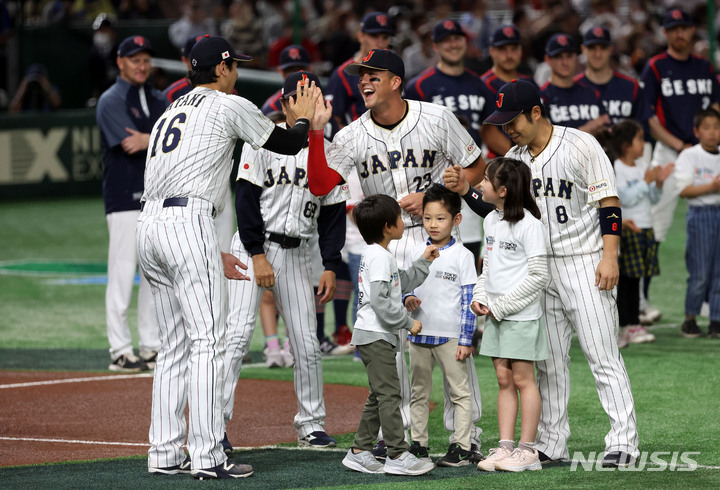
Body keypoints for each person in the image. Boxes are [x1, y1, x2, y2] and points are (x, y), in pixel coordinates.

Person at [137, 35, 321, 479]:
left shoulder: (169, 112)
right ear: (220, 69)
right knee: (208, 342)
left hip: (150, 225)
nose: (236, 71)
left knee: (174, 346)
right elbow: (287, 145)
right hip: (188, 221)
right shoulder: (228, 103)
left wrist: (201, 249)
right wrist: (302, 121)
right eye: (233, 65)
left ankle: (163, 453)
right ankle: (207, 456)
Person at [306, 49, 486, 460]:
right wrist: (317, 133)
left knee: (449, 336)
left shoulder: (437, 118)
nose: (364, 81)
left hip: (437, 237)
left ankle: (466, 436)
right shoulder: (351, 135)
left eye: (373, 74)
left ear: (395, 81)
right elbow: (320, 184)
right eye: (360, 75)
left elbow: (475, 166)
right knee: (395, 341)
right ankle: (401, 433)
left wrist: (444, 190)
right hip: (387, 246)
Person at [467, 79, 639, 468]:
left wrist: (609, 256)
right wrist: (464, 189)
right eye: (503, 122)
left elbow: (608, 203)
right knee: (549, 362)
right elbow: (497, 211)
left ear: (536, 112)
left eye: (513, 120)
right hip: (538, 269)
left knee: (602, 354)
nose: (507, 129)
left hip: (583, 261)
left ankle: (624, 440)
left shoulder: (581, 144)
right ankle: (551, 441)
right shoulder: (514, 158)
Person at [221, 70, 348, 452]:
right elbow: (245, 201)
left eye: (315, 95)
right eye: (301, 96)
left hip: (298, 254)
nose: (310, 102)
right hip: (251, 247)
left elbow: (333, 213)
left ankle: (310, 424)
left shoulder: (330, 150)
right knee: (237, 337)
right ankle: (214, 425)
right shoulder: (262, 139)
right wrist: (257, 254)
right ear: (285, 103)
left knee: (307, 344)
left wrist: (329, 263)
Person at [461, 157, 549, 473]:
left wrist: (500, 306)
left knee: (524, 379)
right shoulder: (491, 221)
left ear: (501, 190)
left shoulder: (530, 225)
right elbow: (488, 269)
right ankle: (506, 447)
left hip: (520, 316)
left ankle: (528, 451)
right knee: (503, 379)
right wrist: (480, 297)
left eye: (484, 180)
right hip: (496, 315)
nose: (479, 185)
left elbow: (539, 276)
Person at [341, 194, 437, 476]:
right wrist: (409, 323)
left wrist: (423, 261)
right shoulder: (380, 257)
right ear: (388, 226)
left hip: (372, 335)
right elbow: (382, 303)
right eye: (398, 217)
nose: (402, 221)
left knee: (379, 394)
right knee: (390, 395)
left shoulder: (378, 254)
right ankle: (397, 453)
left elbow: (400, 284)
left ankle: (359, 451)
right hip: (375, 335)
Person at [640, 8, 720, 321]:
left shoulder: (704, 66)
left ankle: (706, 299)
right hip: (670, 153)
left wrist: (704, 142)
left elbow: (715, 106)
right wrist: (679, 146)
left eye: (684, 28)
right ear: (666, 33)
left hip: (704, 151)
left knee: (712, 222)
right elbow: (648, 115)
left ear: (691, 31)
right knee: (655, 225)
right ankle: (642, 299)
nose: (679, 34)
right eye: (673, 29)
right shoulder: (656, 66)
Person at [96, 36, 165, 372]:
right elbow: (130, 144)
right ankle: (120, 349)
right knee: (122, 273)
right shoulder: (111, 100)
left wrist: (149, 138)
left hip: (155, 198)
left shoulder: (157, 97)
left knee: (153, 275)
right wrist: (156, 139)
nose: (142, 65)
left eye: (146, 59)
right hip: (124, 198)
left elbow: (152, 142)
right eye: (135, 59)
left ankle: (151, 346)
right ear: (121, 62)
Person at [404, 184, 478, 467]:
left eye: (440, 218)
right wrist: (407, 296)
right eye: (427, 218)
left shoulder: (463, 256)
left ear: (456, 220)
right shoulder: (414, 249)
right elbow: (404, 283)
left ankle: (461, 447)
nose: (433, 225)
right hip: (418, 334)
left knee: (460, 393)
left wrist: (465, 339)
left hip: (450, 338)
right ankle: (419, 445)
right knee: (418, 393)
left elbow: (469, 301)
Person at [598, 120, 673, 346]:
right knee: (626, 281)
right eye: (640, 139)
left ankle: (632, 323)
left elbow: (652, 199)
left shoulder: (642, 168)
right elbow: (625, 198)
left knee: (636, 279)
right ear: (627, 145)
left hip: (645, 227)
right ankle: (624, 326)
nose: (643, 144)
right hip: (626, 230)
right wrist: (645, 182)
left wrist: (657, 184)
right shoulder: (617, 168)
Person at [161, 34, 235, 254]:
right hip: (183, 182)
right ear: (186, 61)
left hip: (220, 177)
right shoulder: (171, 95)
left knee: (224, 246)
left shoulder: (228, 89)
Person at [404, 19, 495, 148]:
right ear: (435, 46)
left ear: (465, 42)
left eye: (457, 38)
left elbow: (489, 131)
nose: (453, 45)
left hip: (474, 162)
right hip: (434, 164)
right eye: (446, 40)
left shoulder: (480, 84)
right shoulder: (418, 86)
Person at [675, 108, 720, 338]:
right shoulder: (689, 156)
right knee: (700, 272)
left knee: (718, 271)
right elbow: (684, 190)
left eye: (716, 127)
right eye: (707, 127)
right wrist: (711, 187)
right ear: (697, 131)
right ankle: (690, 318)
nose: (712, 133)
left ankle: (716, 320)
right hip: (701, 214)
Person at [325, 11, 394, 133]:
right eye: (374, 36)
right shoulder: (343, 73)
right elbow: (333, 116)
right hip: (360, 144)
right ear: (361, 36)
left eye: (385, 37)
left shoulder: (394, 69)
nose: (380, 42)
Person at [480, 24, 537, 158]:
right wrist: (522, 158)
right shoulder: (482, 84)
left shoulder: (530, 82)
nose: (509, 55)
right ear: (492, 51)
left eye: (514, 49)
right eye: (502, 49)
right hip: (499, 161)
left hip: (532, 156)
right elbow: (487, 133)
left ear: (520, 51)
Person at [575, 26, 650, 126]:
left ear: (611, 49)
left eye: (603, 48)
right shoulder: (571, 88)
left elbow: (643, 128)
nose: (598, 54)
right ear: (583, 49)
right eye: (592, 48)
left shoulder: (630, 86)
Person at [540, 33, 609, 133]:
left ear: (576, 57)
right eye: (559, 57)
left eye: (569, 56)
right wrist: (587, 129)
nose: (565, 62)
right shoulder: (542, 96)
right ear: (548, 60)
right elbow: (546, 140)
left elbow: (605, 126)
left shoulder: (591, 93)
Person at [261, 44, 312, 115]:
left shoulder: (322, 102)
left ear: (310, 69)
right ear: (281, 71)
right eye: (290, 70)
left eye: (300, 69)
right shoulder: (272, 107)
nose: (296, 74)